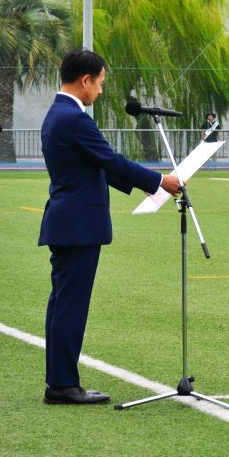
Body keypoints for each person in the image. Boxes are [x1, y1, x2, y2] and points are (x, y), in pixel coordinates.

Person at [39, 49, 181, 405]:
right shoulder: (75, 119)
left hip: (68, 221)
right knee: (70, 305)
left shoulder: (59, 114)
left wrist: (147, 183)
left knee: (62, 304)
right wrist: (159, 180)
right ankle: (62, 384)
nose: (100, 90)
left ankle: (60, 380)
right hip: (77, 225)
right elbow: (110, 159)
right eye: (100, 83)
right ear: (85, 80)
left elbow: (95, 165)